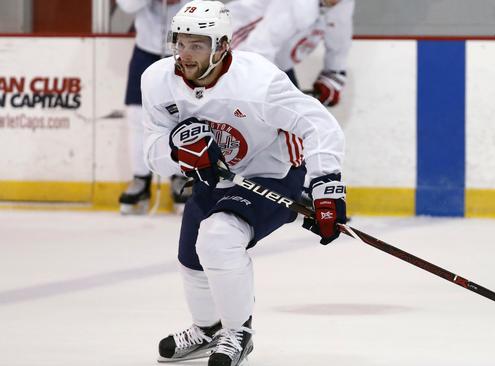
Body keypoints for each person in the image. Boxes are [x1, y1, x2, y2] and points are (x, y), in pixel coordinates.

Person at [140, 1, 346, 365]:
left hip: (273, 171)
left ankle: (238, 331)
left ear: (221, 46)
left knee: (218, 238)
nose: (184, 54)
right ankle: (206, 330)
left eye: (197, 45)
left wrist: (326, 185)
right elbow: (150, 148)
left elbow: (318, 124)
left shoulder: (258, 80)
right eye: (180, 43)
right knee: (191, 257)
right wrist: (178, 153)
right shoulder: (158, 81)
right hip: (216, 179)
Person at [116, 0, 193, 215]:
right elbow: (127, 6)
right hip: (146, 49)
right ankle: (140, 179)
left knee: (183, 115)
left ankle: (180, 177)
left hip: (186, 49)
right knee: (136, 113)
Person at [225, 0, 355, 107]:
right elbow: (258, 47)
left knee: (297, 114)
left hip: (273, 64)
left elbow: (339, 42)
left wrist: (333, 74)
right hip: (231, 53)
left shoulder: (343, 5)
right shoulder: (295, 4)